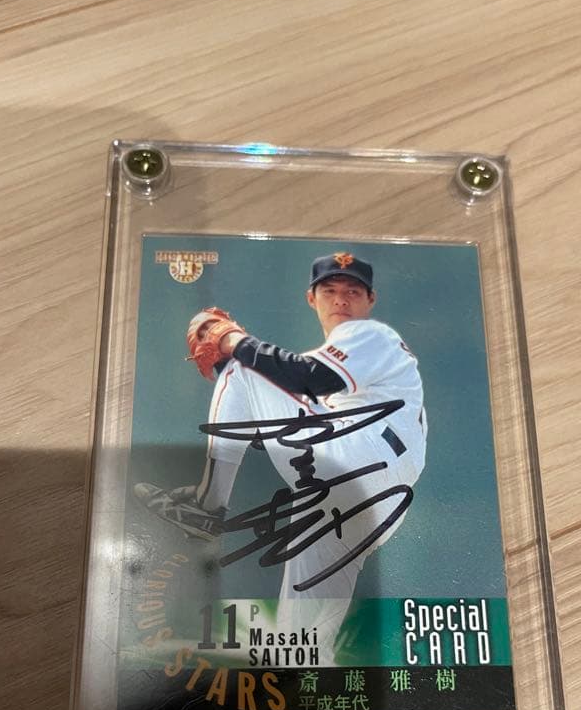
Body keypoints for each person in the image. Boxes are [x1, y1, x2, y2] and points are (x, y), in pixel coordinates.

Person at [135, 252, 427, 664]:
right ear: (312, 298)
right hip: (366, 505)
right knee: (299, 649)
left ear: (370, 300)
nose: (341, 299)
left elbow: (306, 376)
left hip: (360, 461)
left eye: (353, 291)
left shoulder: (371, 334)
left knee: (242, 369)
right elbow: (297, 398)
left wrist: (233, 341)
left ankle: (207, 506)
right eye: (330, 290)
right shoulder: (353, 374)